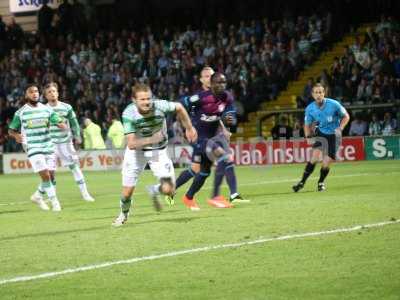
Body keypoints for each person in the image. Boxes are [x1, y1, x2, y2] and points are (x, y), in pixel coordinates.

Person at [112, 83, 197, 227]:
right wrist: (153, 138)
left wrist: (189, 127)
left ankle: (154, 190)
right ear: (134, 100)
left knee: (169, 189)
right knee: (126, 193)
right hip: (136, 153)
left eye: (148, 98)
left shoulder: (160, 106)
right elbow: (131, 144)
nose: (146, 102)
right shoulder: (129, 113)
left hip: (158, 151)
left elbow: (180, 107)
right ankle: (123, 214)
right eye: (142, 99)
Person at [175, 67, 247, 206]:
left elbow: (229, 115)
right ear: (204, 80)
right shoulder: (201, 97)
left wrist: (229, 123)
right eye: (207, 76)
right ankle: (218, 196)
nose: (219, 83)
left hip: (212, 137)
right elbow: (179, 105)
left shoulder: (226, 97)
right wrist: (187, 127)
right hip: (198, 138)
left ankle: (188, 197)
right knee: (223, 156)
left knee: (204, 171)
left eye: (222, 82)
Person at [8, 84, 67, 211]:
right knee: (45, 174)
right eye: (31, 92)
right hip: (32, 145)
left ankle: (38, 196)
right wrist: (16, 135)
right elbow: (11, 130)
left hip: (47, 144)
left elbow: (58, 120)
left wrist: (61, 124)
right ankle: (55, 202)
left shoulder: (47, 109)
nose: (35, 94)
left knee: (51, 175)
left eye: (36, 91)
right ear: (26, 95)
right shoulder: (21, 112)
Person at [39, 82, 94, 202]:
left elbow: (74, 123)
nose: (52, 93)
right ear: (46, 96)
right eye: (49, 92)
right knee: (50, 171)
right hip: (50, 144)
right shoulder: (43, 109)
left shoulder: (66, 107)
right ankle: (52, 197)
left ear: (57, 93)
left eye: (54, 91)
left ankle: (85, 194)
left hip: (66, 143)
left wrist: (77, 136)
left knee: (74, 167)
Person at [292, 83, 350, 192]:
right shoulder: (310, 108)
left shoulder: (334, 104)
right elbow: (307, 124)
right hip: (321, 134)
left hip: (334, 136)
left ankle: (321, 182)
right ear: (312, 94)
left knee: (326, 162)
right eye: (316, 92)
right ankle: (302, 182)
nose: (318, 95)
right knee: (314, 158)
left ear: (324, 93)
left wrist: (341, 127)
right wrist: (308, 136)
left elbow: (346, 116)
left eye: (320, 92)